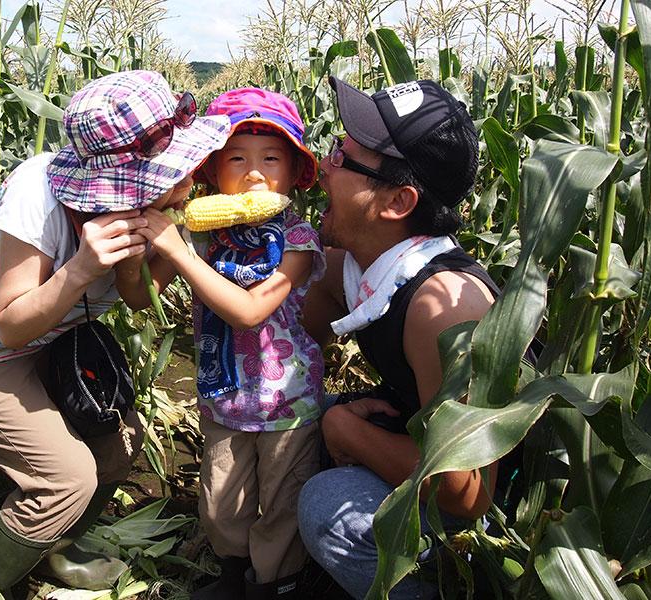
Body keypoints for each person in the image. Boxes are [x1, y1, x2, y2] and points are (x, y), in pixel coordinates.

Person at [0, 70, 230, 592]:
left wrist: (156, 257)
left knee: (119, 444)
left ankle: (55, 548)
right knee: (66, 479)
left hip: (48, 331)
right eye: (176, 176)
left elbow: (135, 297)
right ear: (127, 184)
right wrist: (82, 268)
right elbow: (12, 324)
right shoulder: (37, 193)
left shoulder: (143, 209)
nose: (189, 186)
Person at [118, 88, 325, 599]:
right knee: (220, 501)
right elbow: (138, 296)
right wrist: (146, 232)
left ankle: (275, 585)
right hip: (222, 397)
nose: (254, 173)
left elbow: (251, 311)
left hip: (288, 402)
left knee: (281, 504)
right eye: (236, 158)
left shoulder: (298, 239)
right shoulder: (201, 235)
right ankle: (233, 575)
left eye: (271, 159)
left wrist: (181, 254)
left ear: (295, 171)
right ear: (211, 170)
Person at [296, 78, 498, 600]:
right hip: (413, 434)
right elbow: (292, 351)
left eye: (341, 157)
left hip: (495, 514)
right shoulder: (351, 262)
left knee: (327, 509)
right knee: (290, 415)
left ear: (397, 200)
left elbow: (466, 494)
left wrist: (349, 431)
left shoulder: (442, 308)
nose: (322, 168)